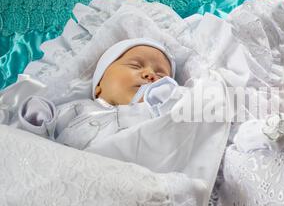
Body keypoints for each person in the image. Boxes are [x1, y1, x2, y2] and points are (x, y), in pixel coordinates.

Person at [17, 38, 181, 150]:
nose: (150, 75)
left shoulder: (156, 121)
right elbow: (40, 138)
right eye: (136, 65)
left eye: (160, 77)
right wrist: (39, 124)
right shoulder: (80, 108)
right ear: (99, 85)